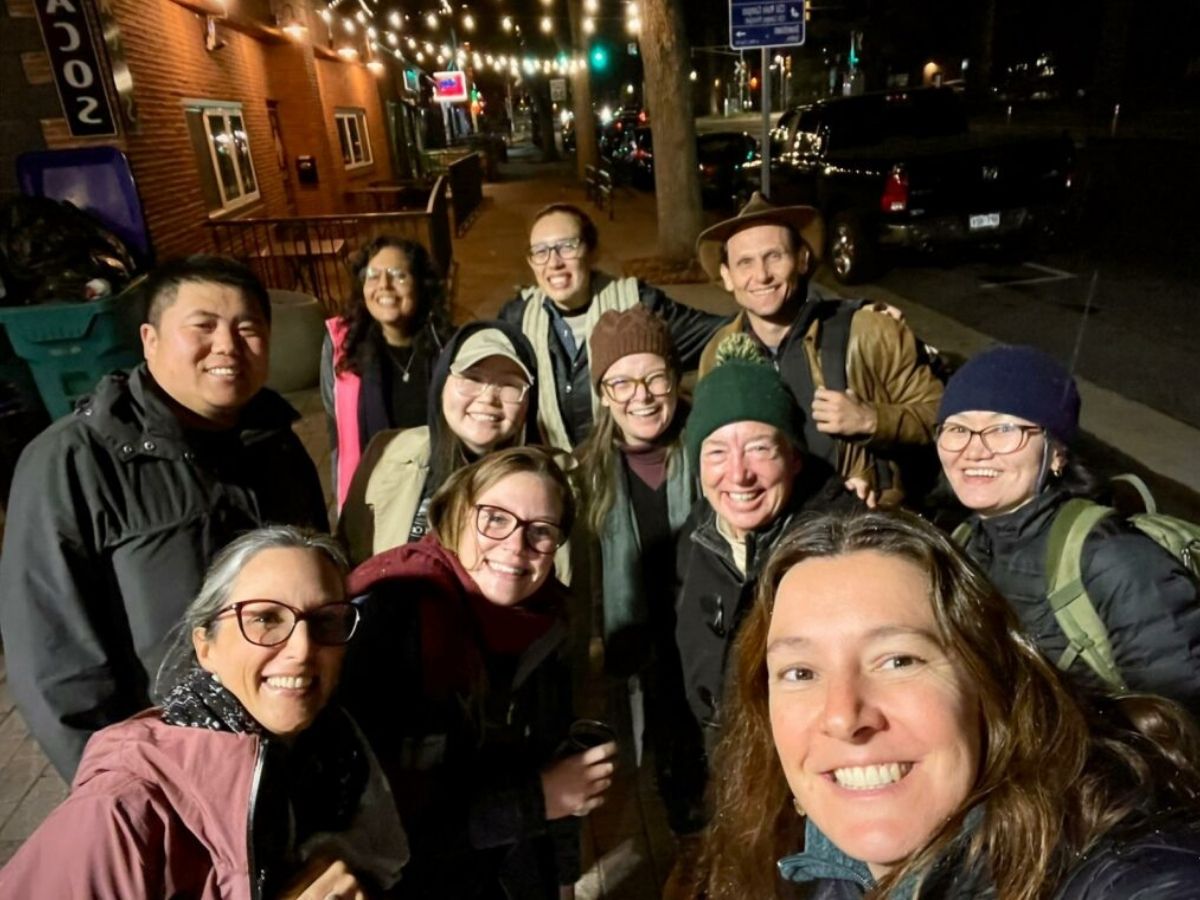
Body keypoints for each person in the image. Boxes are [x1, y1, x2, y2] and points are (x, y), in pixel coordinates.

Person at [701, 509, 1200, 899]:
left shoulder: (1123, 874)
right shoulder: (797, 864)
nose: (842, 715)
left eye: (897, 660)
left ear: (987, 683)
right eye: (801, 672)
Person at [0, 255, 328, 780]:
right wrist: (122, 792)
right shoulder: (72, 463)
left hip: (283, 752)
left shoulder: (276, 444)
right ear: (149, 340)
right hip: (167, 771)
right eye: (203, 326)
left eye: (247, 328)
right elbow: (56, 668)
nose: (227, 346)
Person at [0, 526, 409, 898]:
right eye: (265, 619)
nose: (303, 649)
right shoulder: (124, 811)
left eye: (325, 621)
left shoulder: (342, 757)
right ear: (205, 646)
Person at [339, 447, 615, 899]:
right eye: (495, 518)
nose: (515, 546)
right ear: (455, 514)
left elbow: (553, 765)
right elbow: (373, 828)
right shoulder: (393, 617)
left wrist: (563, 877)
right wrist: (536, 800)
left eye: (540, 531)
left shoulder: (543, 623)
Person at [937, 344, 1200, 710]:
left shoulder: (1113, 559)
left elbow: (1181, 719)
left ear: (1057, 452)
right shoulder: (960, 544)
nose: (974, 450)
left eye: (1003, 429)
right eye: (957, 428)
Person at [694, 192, 944, 507]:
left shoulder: (867, 333)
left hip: (857, 527)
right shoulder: (718, 354)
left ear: (802, 259)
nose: (761, 275)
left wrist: (871, 419)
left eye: (774, 256)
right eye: (745, 262)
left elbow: (943, 418)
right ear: (728, 277)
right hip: (768, 529)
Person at [675, 336, 861, 755]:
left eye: (759, 448)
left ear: (794, 458)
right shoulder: (697, 536)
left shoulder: (842, 547)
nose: (738, 474)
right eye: (717, 452)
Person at [574, 306, 706, 837]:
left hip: (706, 637)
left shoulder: (709, 448)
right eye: (622, 382)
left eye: (654, 377)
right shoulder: (586, 472)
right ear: (604, 393)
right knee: (669, 768)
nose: (642, 396)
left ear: (675, 379)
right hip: (642, 650)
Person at [499, 202, 725, 450]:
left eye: (567, 247)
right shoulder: (517, 320)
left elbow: (723, 334)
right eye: (540, 251)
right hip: (552, 472)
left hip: (625, 471)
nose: (553, 263)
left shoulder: (639, 308)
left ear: (592, 252)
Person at [338, 320, 540, 563]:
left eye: (509, 385)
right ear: (442, 383)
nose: (489, 399)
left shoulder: (559, 484)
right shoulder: (385, 451)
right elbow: (346, 554)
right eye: (472, 378)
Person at [322, 237, 455, 509]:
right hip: (372, 495)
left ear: (421, 284)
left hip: (437, 495)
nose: (384, 285)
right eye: (373, 275)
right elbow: (336, 429)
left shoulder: (449, 346)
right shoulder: (341, 345)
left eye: (398, 275)